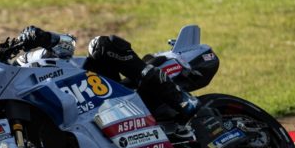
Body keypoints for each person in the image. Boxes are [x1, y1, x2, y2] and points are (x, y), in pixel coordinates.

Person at [16, 26, 200, 122]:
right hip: (78, 118)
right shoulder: (6, 92)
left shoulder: (21, 63)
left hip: (95, 89)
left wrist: (45, 37)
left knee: (101, 45)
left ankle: (180, 100)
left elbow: (67, 46)